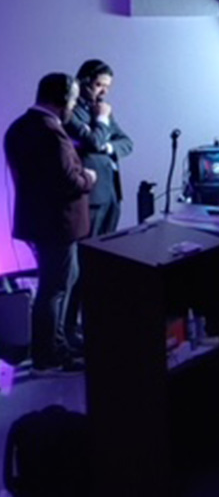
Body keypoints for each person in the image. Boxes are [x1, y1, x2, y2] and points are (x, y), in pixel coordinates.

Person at [4, 73, 97, 373]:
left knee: (55, 285)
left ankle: (53, 347)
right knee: (55, 289)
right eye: (73, 99)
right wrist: (89, 177)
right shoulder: (50, 131)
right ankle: (51, 354)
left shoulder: (18, 127)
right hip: (59, 223)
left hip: (36, 221)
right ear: (63, 99)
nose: (74, 106)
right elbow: (67, 181)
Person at [65, 59, 134, 237]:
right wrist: (102, 119)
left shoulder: (101, 108)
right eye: (99, 85)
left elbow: (127, 142)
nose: (104, 92)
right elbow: (93, 142)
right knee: (88, 246)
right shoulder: (70, 111)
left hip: (112, 192)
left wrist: (107, 147)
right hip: (92, 193)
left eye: (107, 87)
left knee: (107, 245)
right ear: (83, 82)